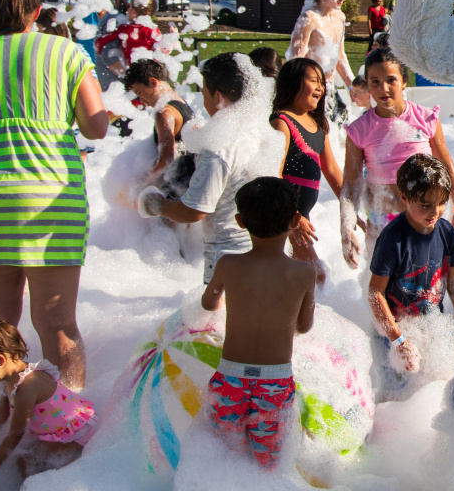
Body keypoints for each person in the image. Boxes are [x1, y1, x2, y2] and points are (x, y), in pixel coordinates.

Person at [0, 0, 109, 408]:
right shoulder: (64, 52)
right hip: (47, 196)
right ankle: (67, 423)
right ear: (37, 10)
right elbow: (96, 128)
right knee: (57, 325)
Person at [201, 177, 315, 470]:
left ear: (240, 221)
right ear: (294, 220)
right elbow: (304, 326)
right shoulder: (303, 273)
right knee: (268, 464)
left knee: (223, 459)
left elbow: (207, 303)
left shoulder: (228, 265)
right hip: (274, 384)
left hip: (229, 380)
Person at [141, 54, 269, 283]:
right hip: (266, 251)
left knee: (220, 318)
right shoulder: (263, 131)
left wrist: (157, 205)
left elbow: (194, 210)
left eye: (203, 93)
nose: (203, 101)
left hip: (227, 257)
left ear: (218, 97)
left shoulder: (218, 148)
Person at [341, 48, 454, 266]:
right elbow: (351, 181)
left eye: (391, 80)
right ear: (368, 84)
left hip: (426, 218)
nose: (383, 88)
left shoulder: (425, 118)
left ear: (404, 81)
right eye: (375, 81)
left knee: (426, 283)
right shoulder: (359, 130)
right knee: (384, 286)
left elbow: (445, 164)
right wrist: (346, 226)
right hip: (382, 219)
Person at [368, 154, 454, 392]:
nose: (435, 211)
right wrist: (398, 340)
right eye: (425, 205)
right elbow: (374, 293)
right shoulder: (393, 238)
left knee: (432, 391)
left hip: (431, 326)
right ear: (404, 197)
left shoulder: (445, 231)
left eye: (442, 202)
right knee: (395, 396)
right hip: (394, 333)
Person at [0, 319, 95, 481]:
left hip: (76, 433)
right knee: (27, 454)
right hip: (59, 427)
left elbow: (15, 435)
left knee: (25, 461)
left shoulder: (27, 388)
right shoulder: (11, 382)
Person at [270, 58, 344, 284]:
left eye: (322, 82)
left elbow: (331, 170)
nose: (321, 88)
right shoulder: (281, 121)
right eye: (314, 81)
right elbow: (274, 172)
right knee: (314, 275)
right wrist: (295, 215)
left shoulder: (317, 124)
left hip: (301, 216)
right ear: (292, 83)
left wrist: (350, 208)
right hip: (284, 214)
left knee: (305, 274)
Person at [287, 0, 357, 125]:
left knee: (344, 128)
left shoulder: (339, 18)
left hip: (330, 88)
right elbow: (295, 59)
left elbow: (339, 56)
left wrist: (352, 86)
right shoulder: (309, 18)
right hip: (311, 89)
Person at [123, 59, 195, 193]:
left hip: (176, 189)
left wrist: (136, 186)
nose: (141, 100)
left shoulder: (164, 113)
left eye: (140, 92)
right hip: (190, 183)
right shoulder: (181, 103)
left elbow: (166, 159)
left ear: (153, 82)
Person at [94, 0, 163, 77]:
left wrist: (99, 44)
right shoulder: (153, 30)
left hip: (132, 69)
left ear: (134, 12)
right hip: (150, 71)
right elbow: (162, 50)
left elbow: (103, 40)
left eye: (130, 8)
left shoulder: (125, 29)